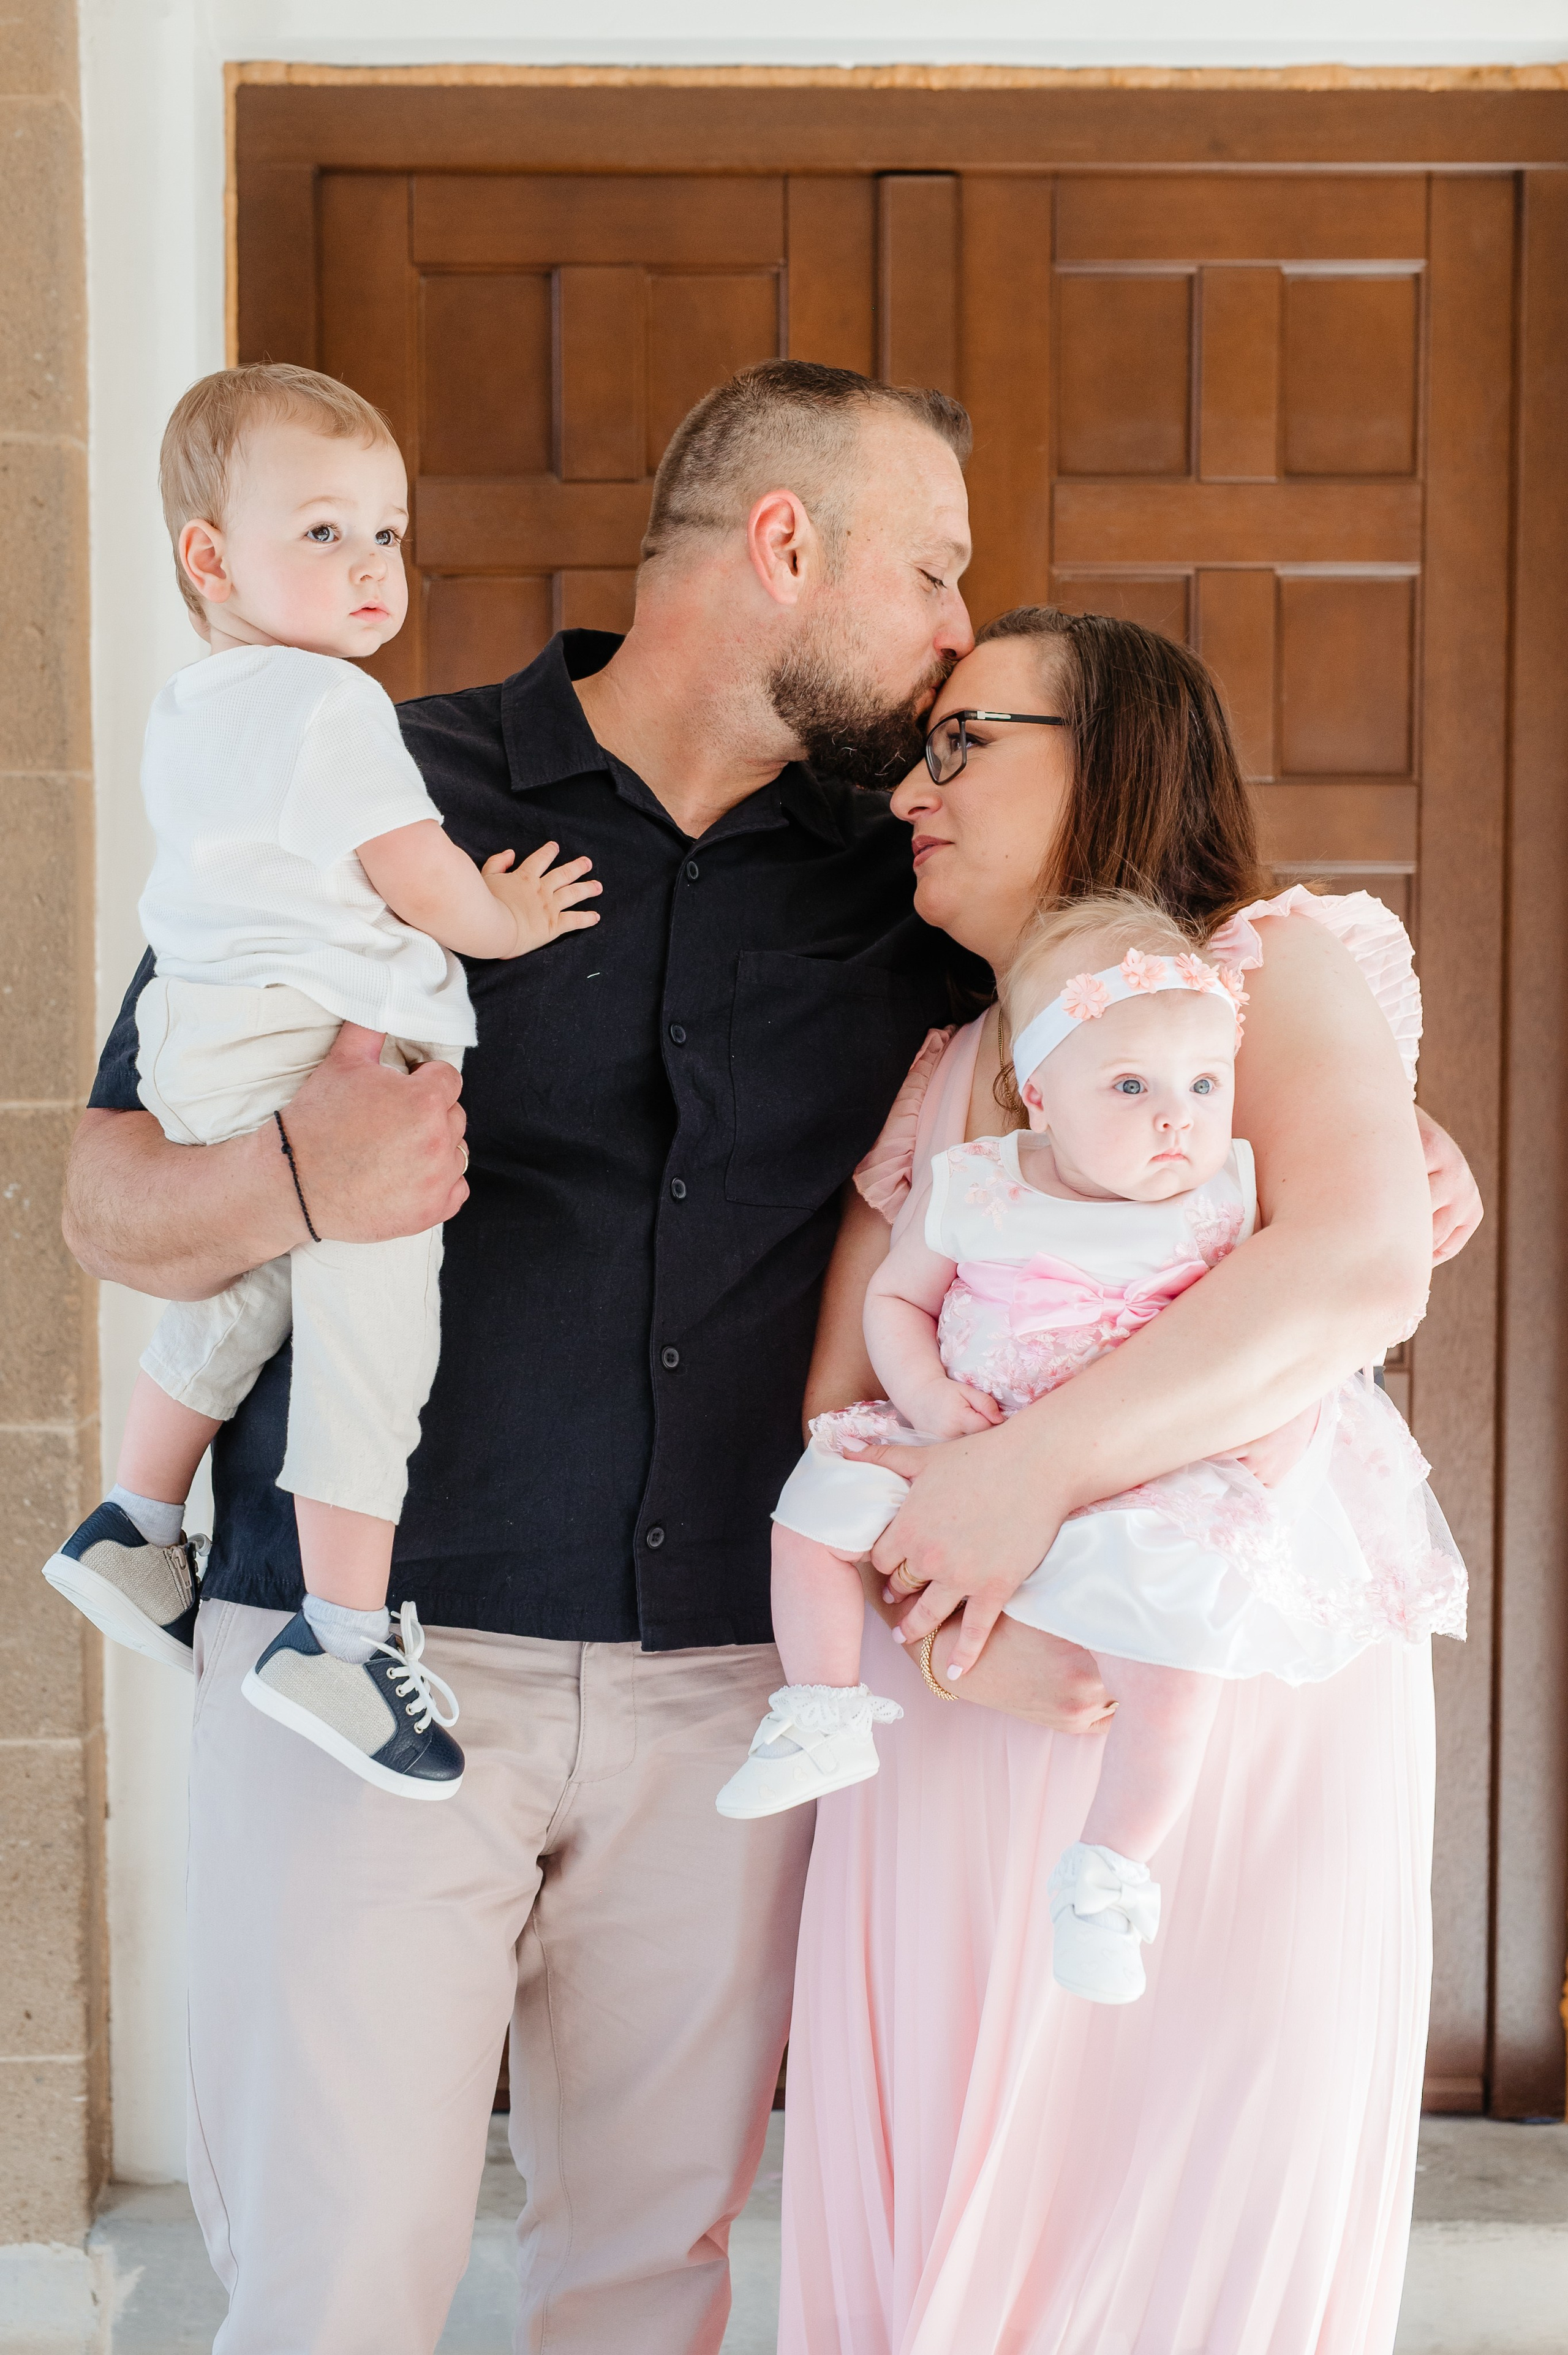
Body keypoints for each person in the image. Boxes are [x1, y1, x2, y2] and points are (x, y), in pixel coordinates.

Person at [61, 360, 979, 2354]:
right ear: (786, 544)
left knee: (647, 2283)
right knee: (332, 2286)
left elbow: (1146, 1010)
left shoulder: (909, 876)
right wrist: (304, 1168)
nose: (956, 627)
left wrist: (1354, 1125)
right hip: (362, 1663)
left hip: (729, 1684)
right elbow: (106, 1200)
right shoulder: (377, 781)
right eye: (931, 568)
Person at [780, 608, 1484, 2353]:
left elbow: (1349, 1264)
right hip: (963, 1698)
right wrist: (952, 1641)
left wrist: (1021, 1477)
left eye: (962, 743)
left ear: (1111, 757)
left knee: (1192, 2175)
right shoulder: (950, 1066)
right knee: (961, 2174)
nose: (911, 793)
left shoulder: (1262, 973)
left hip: (1226, 1677)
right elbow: (845, 1402)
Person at [45, 363, 602, 1798]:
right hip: (313, 1044)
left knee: (252, 1281)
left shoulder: (195, 705)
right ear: (210, 557)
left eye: (386, 532)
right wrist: (505, 919)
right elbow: (414, 872)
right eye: (323, 531)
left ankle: (133, 1519)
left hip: (208, 1039)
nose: (370, 565)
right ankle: (340, 1639)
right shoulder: (330, 704)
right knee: (371, 1340)